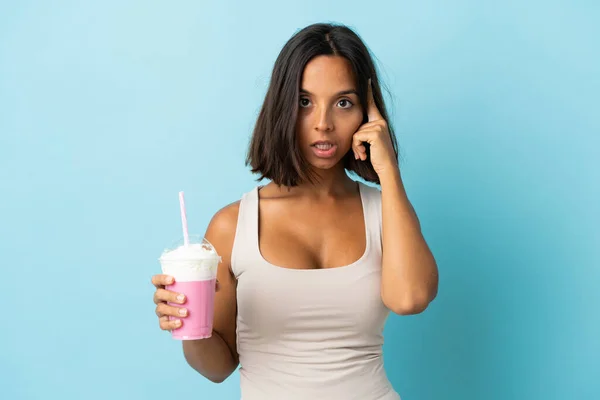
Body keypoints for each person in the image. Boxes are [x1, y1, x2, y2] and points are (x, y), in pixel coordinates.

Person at [151, 22, 438, 400]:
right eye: (305, 102)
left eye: (344, 103)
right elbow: (217, 368)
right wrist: (188, 325)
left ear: (368, 115)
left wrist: (389, 172)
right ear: (282, 106)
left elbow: (411, 299)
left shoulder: (386, 212)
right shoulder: (233, 225)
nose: (323, 123)